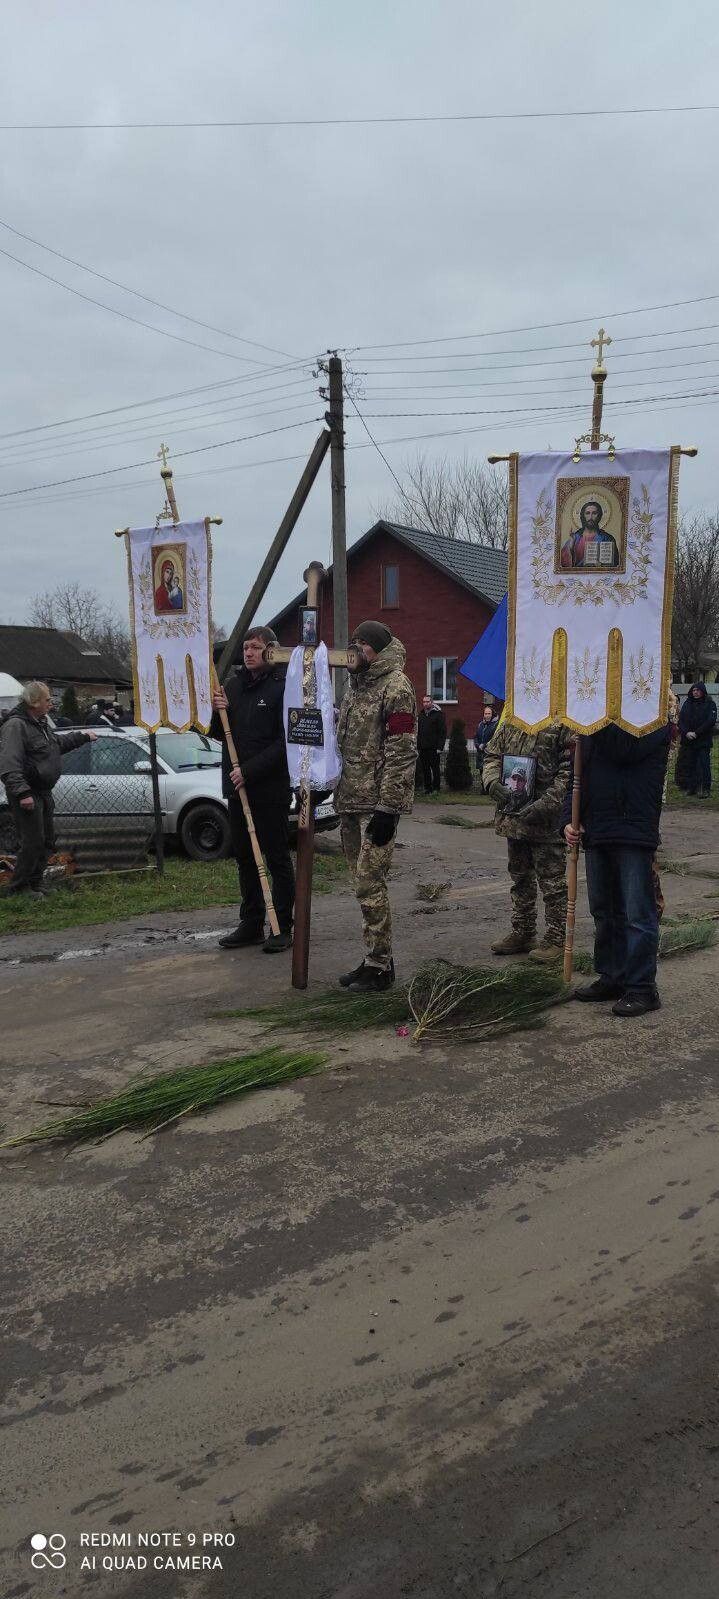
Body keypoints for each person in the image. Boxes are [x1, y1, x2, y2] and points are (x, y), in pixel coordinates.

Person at [562, 721, 671, 1017]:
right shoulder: (592, 726)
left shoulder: (652, 722)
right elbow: (577, 776)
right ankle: (612, 975)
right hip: (597, 828)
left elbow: (623, 750)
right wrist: (568, 820)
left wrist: (592, 723)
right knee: (603, 910)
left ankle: (641, 987)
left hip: (633, 829)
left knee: (637, 913)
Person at [334, 621, 417, 992]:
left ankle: (381, 966)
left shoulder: (397, 687)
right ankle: (372, 958)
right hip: (351, 800)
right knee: (359, 883)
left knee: (371, 883)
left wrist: (389, 808)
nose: (357, 649)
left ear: (379, 651)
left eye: (364, 644)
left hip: (377, 805)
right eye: (355, 642)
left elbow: (402, 753)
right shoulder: (355, 686)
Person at [211, 626, 294, 954]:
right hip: (236, 788)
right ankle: (251, 923)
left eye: (255, 648)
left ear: (270, 650)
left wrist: (250, 771)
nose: (248, 653)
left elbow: (285, 742)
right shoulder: (233, 686)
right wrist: (217, 710)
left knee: (275, 858)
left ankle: (282, 925)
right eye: (245, 648)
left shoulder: (281, 688)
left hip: (268, 789)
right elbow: (221, 734)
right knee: (245, 857)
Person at [483, 719, 572, 962]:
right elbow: (492, 753)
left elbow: (570, 770)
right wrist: (491, 781)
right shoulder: (512, 718)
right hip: (514, 816)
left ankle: (556, 938)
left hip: (546, 820)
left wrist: (547, 804)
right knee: (520, 877)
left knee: (552, 882)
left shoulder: (562, 721)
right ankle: (523, 931)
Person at [0, 682, 96, 898]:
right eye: (47, 700)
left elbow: (56, 745)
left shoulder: (40, 723)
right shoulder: (16, 726)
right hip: (28, 792)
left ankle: (36, 882)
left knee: (47, 840)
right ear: (34, 702)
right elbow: (8, 763)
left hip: (43, 791)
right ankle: (20, 888)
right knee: (32, 841)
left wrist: (82, 737)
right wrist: (22, 793)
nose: (51, 703)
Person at [676, 682, 716, 797]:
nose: (695, 692)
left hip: (703, 740)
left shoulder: (710, 704)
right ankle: (691, 788)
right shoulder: (688, 703)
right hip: (689, 740)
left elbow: (710, 721)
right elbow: (681, 720)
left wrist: (696, 733)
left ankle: (705, 789)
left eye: (698, 690)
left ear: (703, 691)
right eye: (694, 690)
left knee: (704, 765)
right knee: (690, 765)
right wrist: (687, 732)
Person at [560, 500, 620, 570]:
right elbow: (563, 564)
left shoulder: (607, 538)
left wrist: (603, 567)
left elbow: (615, 564)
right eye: (587, 513)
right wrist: (570, 548)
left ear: (599, 516)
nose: (590, 517)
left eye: (594, 513)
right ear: (583, 516)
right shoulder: (575, 538)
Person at [416, 694, 447, 793]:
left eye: (427, 701)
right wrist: (418, 746)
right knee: (425, 769)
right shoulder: (420, 715)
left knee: (435, 769)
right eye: (424, 702)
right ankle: (427, 788)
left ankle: (436, 788)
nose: (425, 704)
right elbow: (418, 732)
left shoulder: (438, 715)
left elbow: (442, 732)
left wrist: (440, 747)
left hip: (434, 748)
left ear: (432, 702)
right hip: (423, 747)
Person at [474, 704, 498, 773]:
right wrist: (478, 745)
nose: (487, 715)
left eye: (489, 713)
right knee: (481, 776)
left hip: (490, 756)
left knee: (488, 777)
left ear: (492, 714)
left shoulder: (495, 725)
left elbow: (495, 739)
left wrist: (484, 745)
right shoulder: (480, 724)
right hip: (480, 755)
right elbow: (476, 737)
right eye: (486, 713)